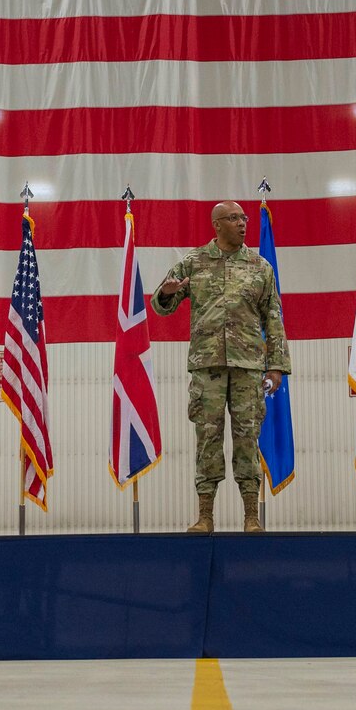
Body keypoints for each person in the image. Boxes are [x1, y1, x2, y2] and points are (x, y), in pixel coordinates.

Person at [152, 201, 290, 534]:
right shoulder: (193, 262)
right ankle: (205, 516)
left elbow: (274, 319)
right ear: (217, 225)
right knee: (208, 439)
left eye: (243, 218)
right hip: (207, 366)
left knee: (247, 438)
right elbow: (162, 307)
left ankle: (251, 516)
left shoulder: (260, 267)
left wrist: (277, 367)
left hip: (248, 367)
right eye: (234, 218)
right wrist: (167, 293)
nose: (242, 223)